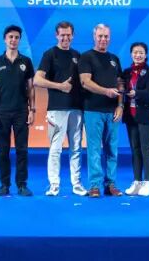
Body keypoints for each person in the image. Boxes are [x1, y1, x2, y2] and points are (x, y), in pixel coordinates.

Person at [33, 21, 88, 196]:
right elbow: (37, 80)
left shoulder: (77, 55)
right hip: (56, 109)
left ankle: (77, 184)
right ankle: (54, 185)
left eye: (68, 35)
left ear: (73, 35)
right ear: (56, 35)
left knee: (76, 148)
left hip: (76, 109)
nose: (65, 38)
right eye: (62, 35)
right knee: (55, 149)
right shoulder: (50, 54)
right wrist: (60, 86)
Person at [0, 25, 36, 197]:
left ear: (19, 40)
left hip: (21, 112)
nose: (13, 40)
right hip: (2, 112)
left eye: (16, 37)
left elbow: (31, 88)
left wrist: (32, 110)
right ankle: (4, 185)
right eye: (10, 37)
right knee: (3, 150)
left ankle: (22, 185)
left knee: (22, 150)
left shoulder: (26, 62)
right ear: (5, 39)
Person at [78, 24, 124, 198]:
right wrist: (106, 91)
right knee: (94, 149)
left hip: (113, 111)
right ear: (94, 37)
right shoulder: (86, 57)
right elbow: (85, 82)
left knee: (112, 150)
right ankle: (95, 185)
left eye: (106, 36)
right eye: (100, 36)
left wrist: (120, 105)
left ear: (110, 38)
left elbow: (120, 83)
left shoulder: (114, 59)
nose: (103, 39)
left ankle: (111, 184)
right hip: (93, 110)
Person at [122, 42, 149, 197]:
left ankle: (147, 182)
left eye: (141, 52)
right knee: (135, 149)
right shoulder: (126, 72)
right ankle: (136, 182)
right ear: (131, 54)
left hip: (146, 115)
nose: (138, 55)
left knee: (145, 148)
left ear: (146, 54)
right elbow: (121, 88)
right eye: (135, 52)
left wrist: (135, 93)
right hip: (130, 115)